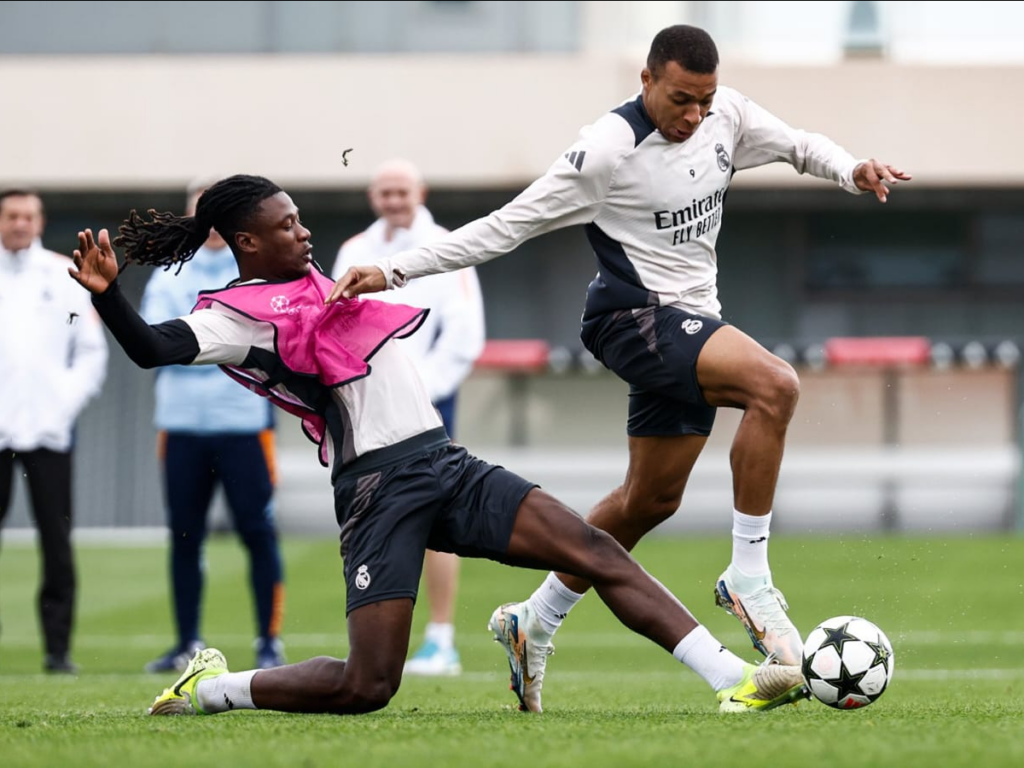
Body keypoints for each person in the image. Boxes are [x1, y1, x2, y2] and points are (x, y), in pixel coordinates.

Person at [329, 24, 912, 712]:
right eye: (680, 100)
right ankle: (749, 578)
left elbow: (799, 146)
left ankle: (532, 620)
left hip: (689, 320)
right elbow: (505, 226)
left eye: (704, 99)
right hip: (631, 319)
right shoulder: (603, 151)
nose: (693, 115)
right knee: (774, 384)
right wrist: (392, 269)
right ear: (646, 81)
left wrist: (852, 170)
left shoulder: (726, 115)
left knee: (648, 501)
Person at [69, 174, 807, 716]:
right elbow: (151, 348)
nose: (305, 233)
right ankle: (216, 690)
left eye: (301, 220)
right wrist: (107, 296)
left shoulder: (317, 276)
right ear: (246, 243)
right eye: (288, 226)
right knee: (369, 686)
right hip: (378, 491)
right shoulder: (235, 317)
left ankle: (733, 682)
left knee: (594, 549)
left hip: (445, 462)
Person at [331, 159, 485, 677]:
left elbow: (465, 334)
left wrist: (423, 391)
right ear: (373, 196)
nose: (394, 200)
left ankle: (441, 639)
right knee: (372, 512)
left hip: (429, 404)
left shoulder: (447, 244)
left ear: (420, 191)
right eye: (385, 192)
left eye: (402, 190)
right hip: (366, 406)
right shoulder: (354, 251)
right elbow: (335, 325)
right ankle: (376, 641)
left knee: (437, 518)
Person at [139, 180, 287, 673]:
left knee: (257, 533)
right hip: (181, 427)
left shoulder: (258, 269)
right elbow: (154, 343)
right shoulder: (167, 272)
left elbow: (266, 339)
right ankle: (187, 642)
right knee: (185, 536)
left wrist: (198, 344)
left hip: (245, 426)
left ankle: (269, 641)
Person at [0, 189, 109, 674]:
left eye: (28, 215)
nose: (20, 223)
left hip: (49, 430)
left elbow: (90, 350)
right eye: (11, 215)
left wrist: (62, 403)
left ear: (40, 221)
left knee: (56, 544)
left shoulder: (64, 275)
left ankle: (58, 651)